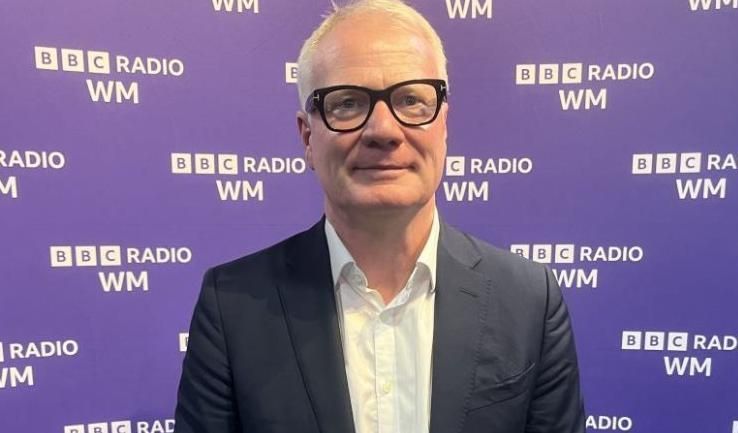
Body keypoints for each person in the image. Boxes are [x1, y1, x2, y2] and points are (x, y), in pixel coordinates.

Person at [174, 1, 585, 432]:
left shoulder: (528, 301)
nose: (384, 131)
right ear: (307, 137)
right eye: (347, 103)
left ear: (443, 126)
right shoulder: (232, 306)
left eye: (411, 100)